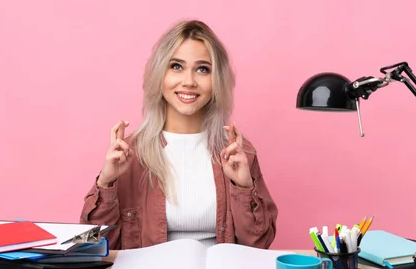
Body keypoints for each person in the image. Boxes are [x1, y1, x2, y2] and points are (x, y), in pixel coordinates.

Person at [79, 19, 278, 250]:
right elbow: (94, 247)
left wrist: (243, 187)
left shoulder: (239, 153)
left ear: (217, 81)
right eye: (176, 66)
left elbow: (260, 244)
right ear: (159, 75)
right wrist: (107, 182)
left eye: (203, 69)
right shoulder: (128, 154)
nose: (189, 82)